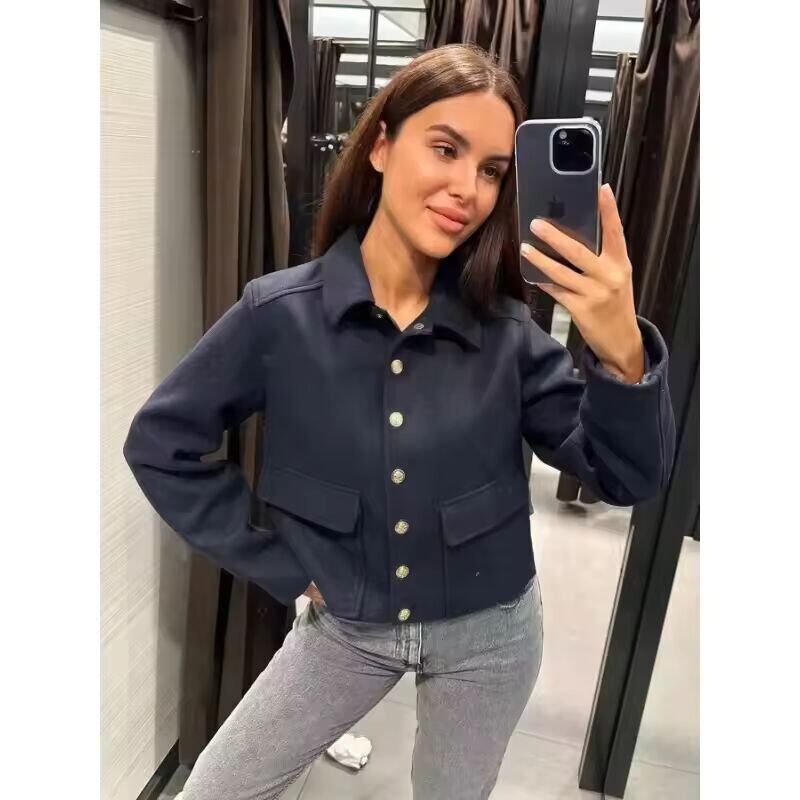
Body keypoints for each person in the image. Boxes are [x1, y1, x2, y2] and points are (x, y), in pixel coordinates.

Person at [123, 43, 675, 800]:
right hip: (347, 626)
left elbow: (626, 476)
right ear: (381, 145)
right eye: (446, 149)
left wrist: (622, 352)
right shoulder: (278, 316)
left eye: (492, 171)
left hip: (491, 635)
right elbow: (162, 445)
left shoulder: (507, 334)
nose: (467, 189)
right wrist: (282, 565)